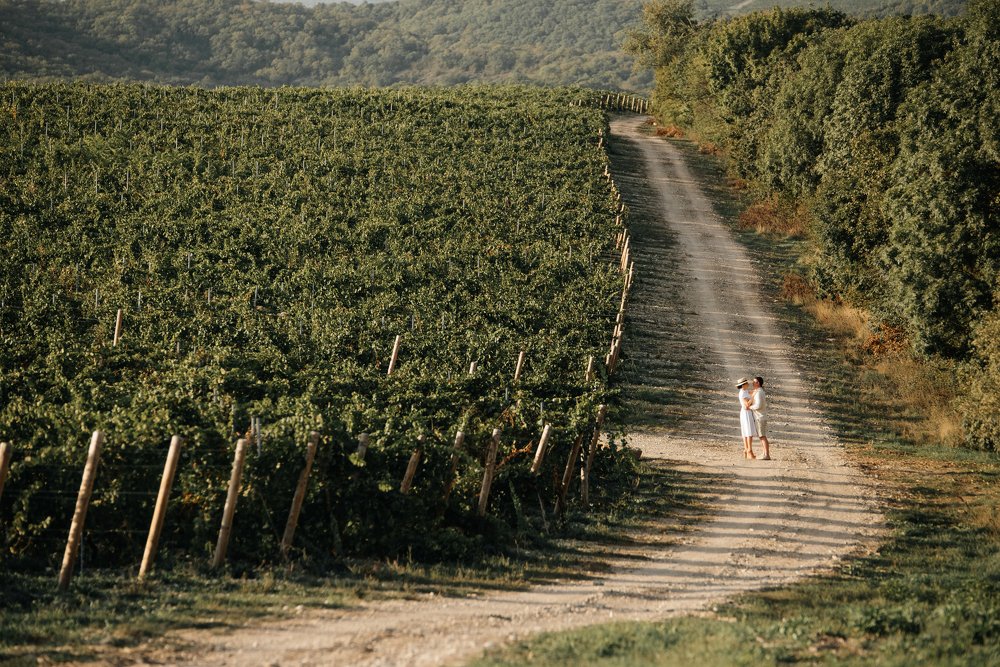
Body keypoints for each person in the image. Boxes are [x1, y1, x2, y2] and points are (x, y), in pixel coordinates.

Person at [750, 376, 771, 460]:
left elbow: (758, 405)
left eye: (754, 382)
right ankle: (764, 453)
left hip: (760, 417)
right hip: (760, 417)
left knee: (762, 436)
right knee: (761, 436)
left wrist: (750, 407)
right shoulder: (759, 391)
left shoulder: (759, 392)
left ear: (758, 383)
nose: (753, 383)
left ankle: (766, 454)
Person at [736, 378, 757, 459]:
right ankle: (749, 451)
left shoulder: (744, 391)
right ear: (744, 384)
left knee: (746, 432)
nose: (748, 383)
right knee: (749, 432)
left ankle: (746, 449)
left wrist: (755, 391)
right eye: (747, 383)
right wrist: (752, 398)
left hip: (745, 412)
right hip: (746, 413)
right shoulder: (742, 393)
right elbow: (747, 405)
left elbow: (751, 392)